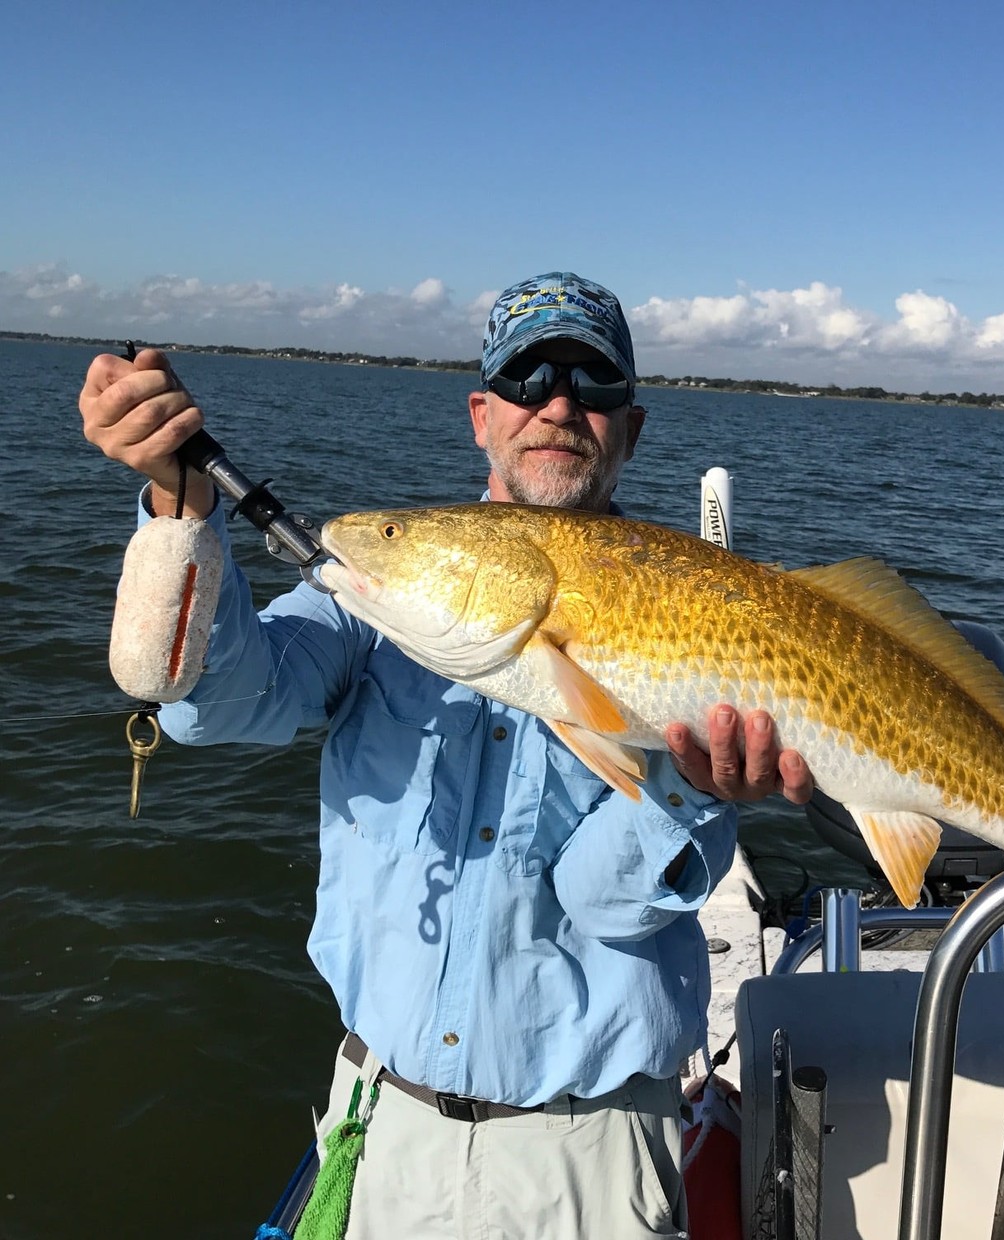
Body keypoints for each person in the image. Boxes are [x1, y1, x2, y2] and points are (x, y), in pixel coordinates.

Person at [79, 272, 812, 1239]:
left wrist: (690, 789)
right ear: (481, 415)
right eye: (527, 378)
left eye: (592, 388)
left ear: (630, 430)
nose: (558, 405)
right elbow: (217, 704)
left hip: (586, 1161)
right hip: (379, 1124)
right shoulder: (378, 596)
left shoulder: (691, 623)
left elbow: (606, 901)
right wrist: (180, 509)